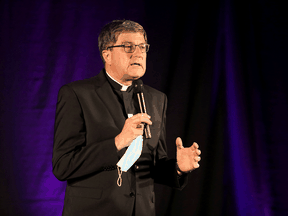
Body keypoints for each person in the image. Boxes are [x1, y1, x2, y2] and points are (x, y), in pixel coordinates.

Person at [52, 20, 201, 216]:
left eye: (142, 47)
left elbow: (152, 165)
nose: (138, 53)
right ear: (107, 54)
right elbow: (63, 165)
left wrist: (178, 169)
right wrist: (117, 142)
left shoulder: (156, 99)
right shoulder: (77, 94)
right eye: (128, 47)